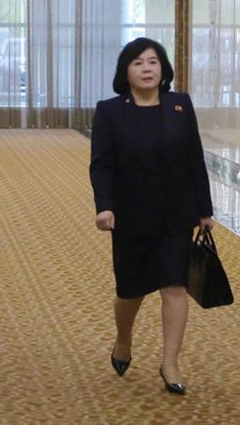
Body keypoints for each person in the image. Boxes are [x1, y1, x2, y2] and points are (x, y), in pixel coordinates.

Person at [89, 37, 213, 395]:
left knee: (174, 287)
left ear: (163, 68)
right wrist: (104, 206)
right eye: (138, 63)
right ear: (125, 71)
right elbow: (102, 165)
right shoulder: (110, 111)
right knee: (130, 291)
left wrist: (204, 209)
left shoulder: (179, 105)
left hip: (176, 213)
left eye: (153, 62)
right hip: (130, 215)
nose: (147, 69)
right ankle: (123, 339)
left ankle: (170, 363)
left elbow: (194, 159)